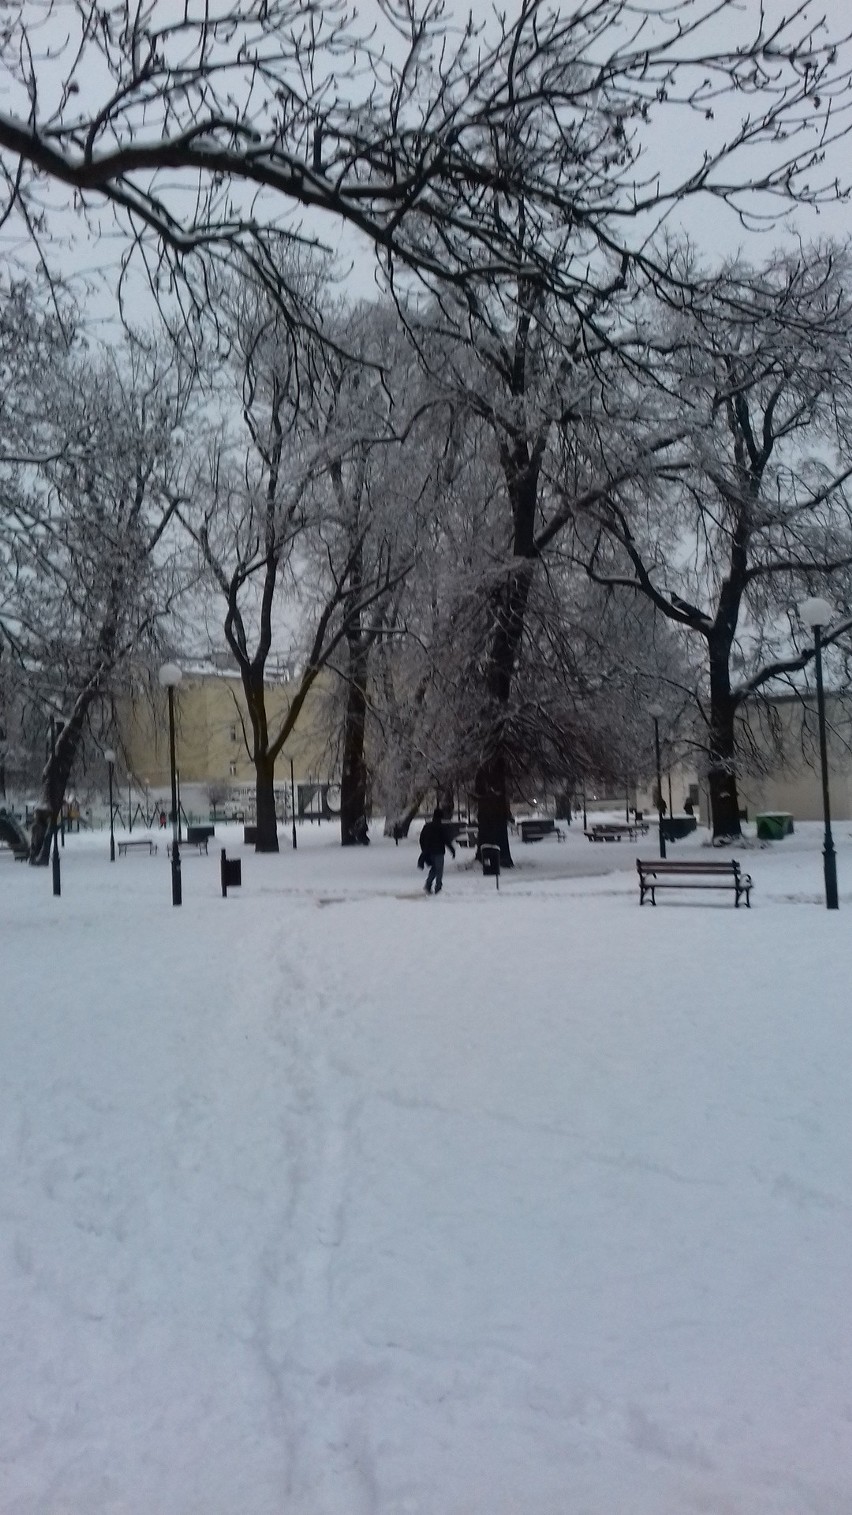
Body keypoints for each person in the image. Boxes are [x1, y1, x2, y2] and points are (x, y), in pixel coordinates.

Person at [418, 806, 456, 894]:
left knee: (434, 869)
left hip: (429, 851)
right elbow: (446, 840)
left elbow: (421, 839)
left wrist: (424, 849)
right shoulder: (441, 827)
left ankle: (428, 885)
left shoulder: (427, 826)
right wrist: (452, 850)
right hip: (439, 851)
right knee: (439, 870)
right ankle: (438, 888)